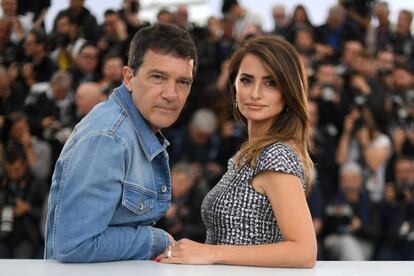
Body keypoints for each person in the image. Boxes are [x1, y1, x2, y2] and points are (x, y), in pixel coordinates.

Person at [158, 35, 316, 267]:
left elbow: (304, 252)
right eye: (246, 80)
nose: (254, 93)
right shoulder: (248, 154)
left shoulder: (276, 154)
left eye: (271, 83)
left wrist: (211, 253)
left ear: (288, 92)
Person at [44, 23, 198, 262]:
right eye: (158, 77)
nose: (171, 94)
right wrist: (158, 240)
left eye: (183, 82)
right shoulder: (109, 138)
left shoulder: (134, 127)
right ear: (129, 77)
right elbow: (75, 245)